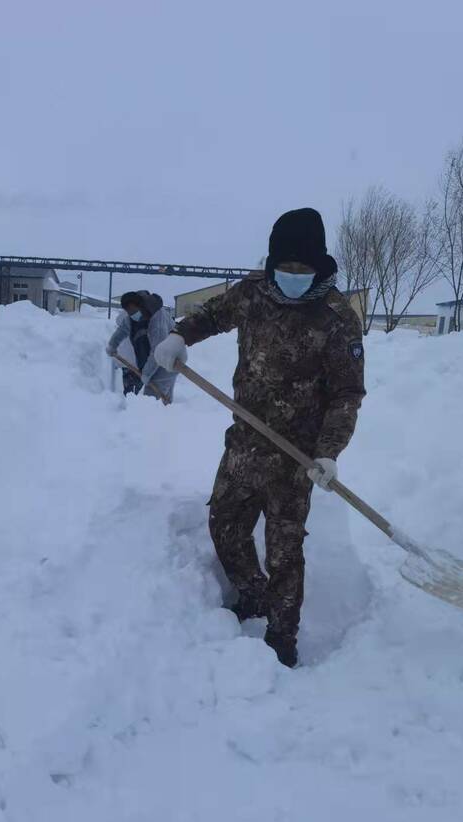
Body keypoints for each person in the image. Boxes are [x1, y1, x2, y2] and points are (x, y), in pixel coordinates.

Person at [153, 208, 365, 667]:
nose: (291, 276)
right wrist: (178, 335)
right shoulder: (253, 293)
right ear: (271, 264)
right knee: (225, 525)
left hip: (297, 460)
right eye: (284, 267)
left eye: (302, 268)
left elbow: (347, 393)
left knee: (286, 553)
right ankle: (253, 595)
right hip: (245, 442)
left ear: (319, 265)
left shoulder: (336, 318)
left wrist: (328, 454)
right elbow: (212, 315)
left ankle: (282, 641)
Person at [106, 291, 178, 401]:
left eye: (133, 311)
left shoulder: (157, 318)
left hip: (169, 355)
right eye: (128, 312)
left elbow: (157, 350)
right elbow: (122, 330)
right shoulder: (132, 317)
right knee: (164, 400)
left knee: (152, 398)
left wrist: (146, 374)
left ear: (141, 305)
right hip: (158, 355)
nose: (132, 314)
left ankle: (155, 415)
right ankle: (168, 414)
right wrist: (112, 345)